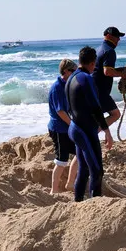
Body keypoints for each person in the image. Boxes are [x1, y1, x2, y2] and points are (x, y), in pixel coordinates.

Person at [66, 46, 114, 202]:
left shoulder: (71, 78)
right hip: (85, 131)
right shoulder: (86, 78)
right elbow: (95, 107)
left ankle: (78, 201)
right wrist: (107, 131)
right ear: (93, 63)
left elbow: (69, 107)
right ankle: (96, 204)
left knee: (84, 169)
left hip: (75, 128)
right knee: (97, 170)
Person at [47, 59, 80, 194]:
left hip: (67, 127)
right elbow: (60, 111)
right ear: (66, 71)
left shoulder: (68, 84)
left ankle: (70, 184)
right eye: (74, 71)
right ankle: (53, 191)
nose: (76, 74)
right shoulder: (57, 88)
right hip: (59, 129)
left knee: (81, 152)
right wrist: (73, 125)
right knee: (61, 160)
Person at [93, 27, 126, 128]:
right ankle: (93, 133)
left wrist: (119, 70)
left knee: (94, 118)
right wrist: (123, 74)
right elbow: (107, 72)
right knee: (115, 114)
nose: (118, 39)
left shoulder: (98, 49)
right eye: (117, 36)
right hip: (101, 92)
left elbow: (101, 69)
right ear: (108, 36)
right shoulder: (109, 51)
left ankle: (92, 133)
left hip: (93, 90)